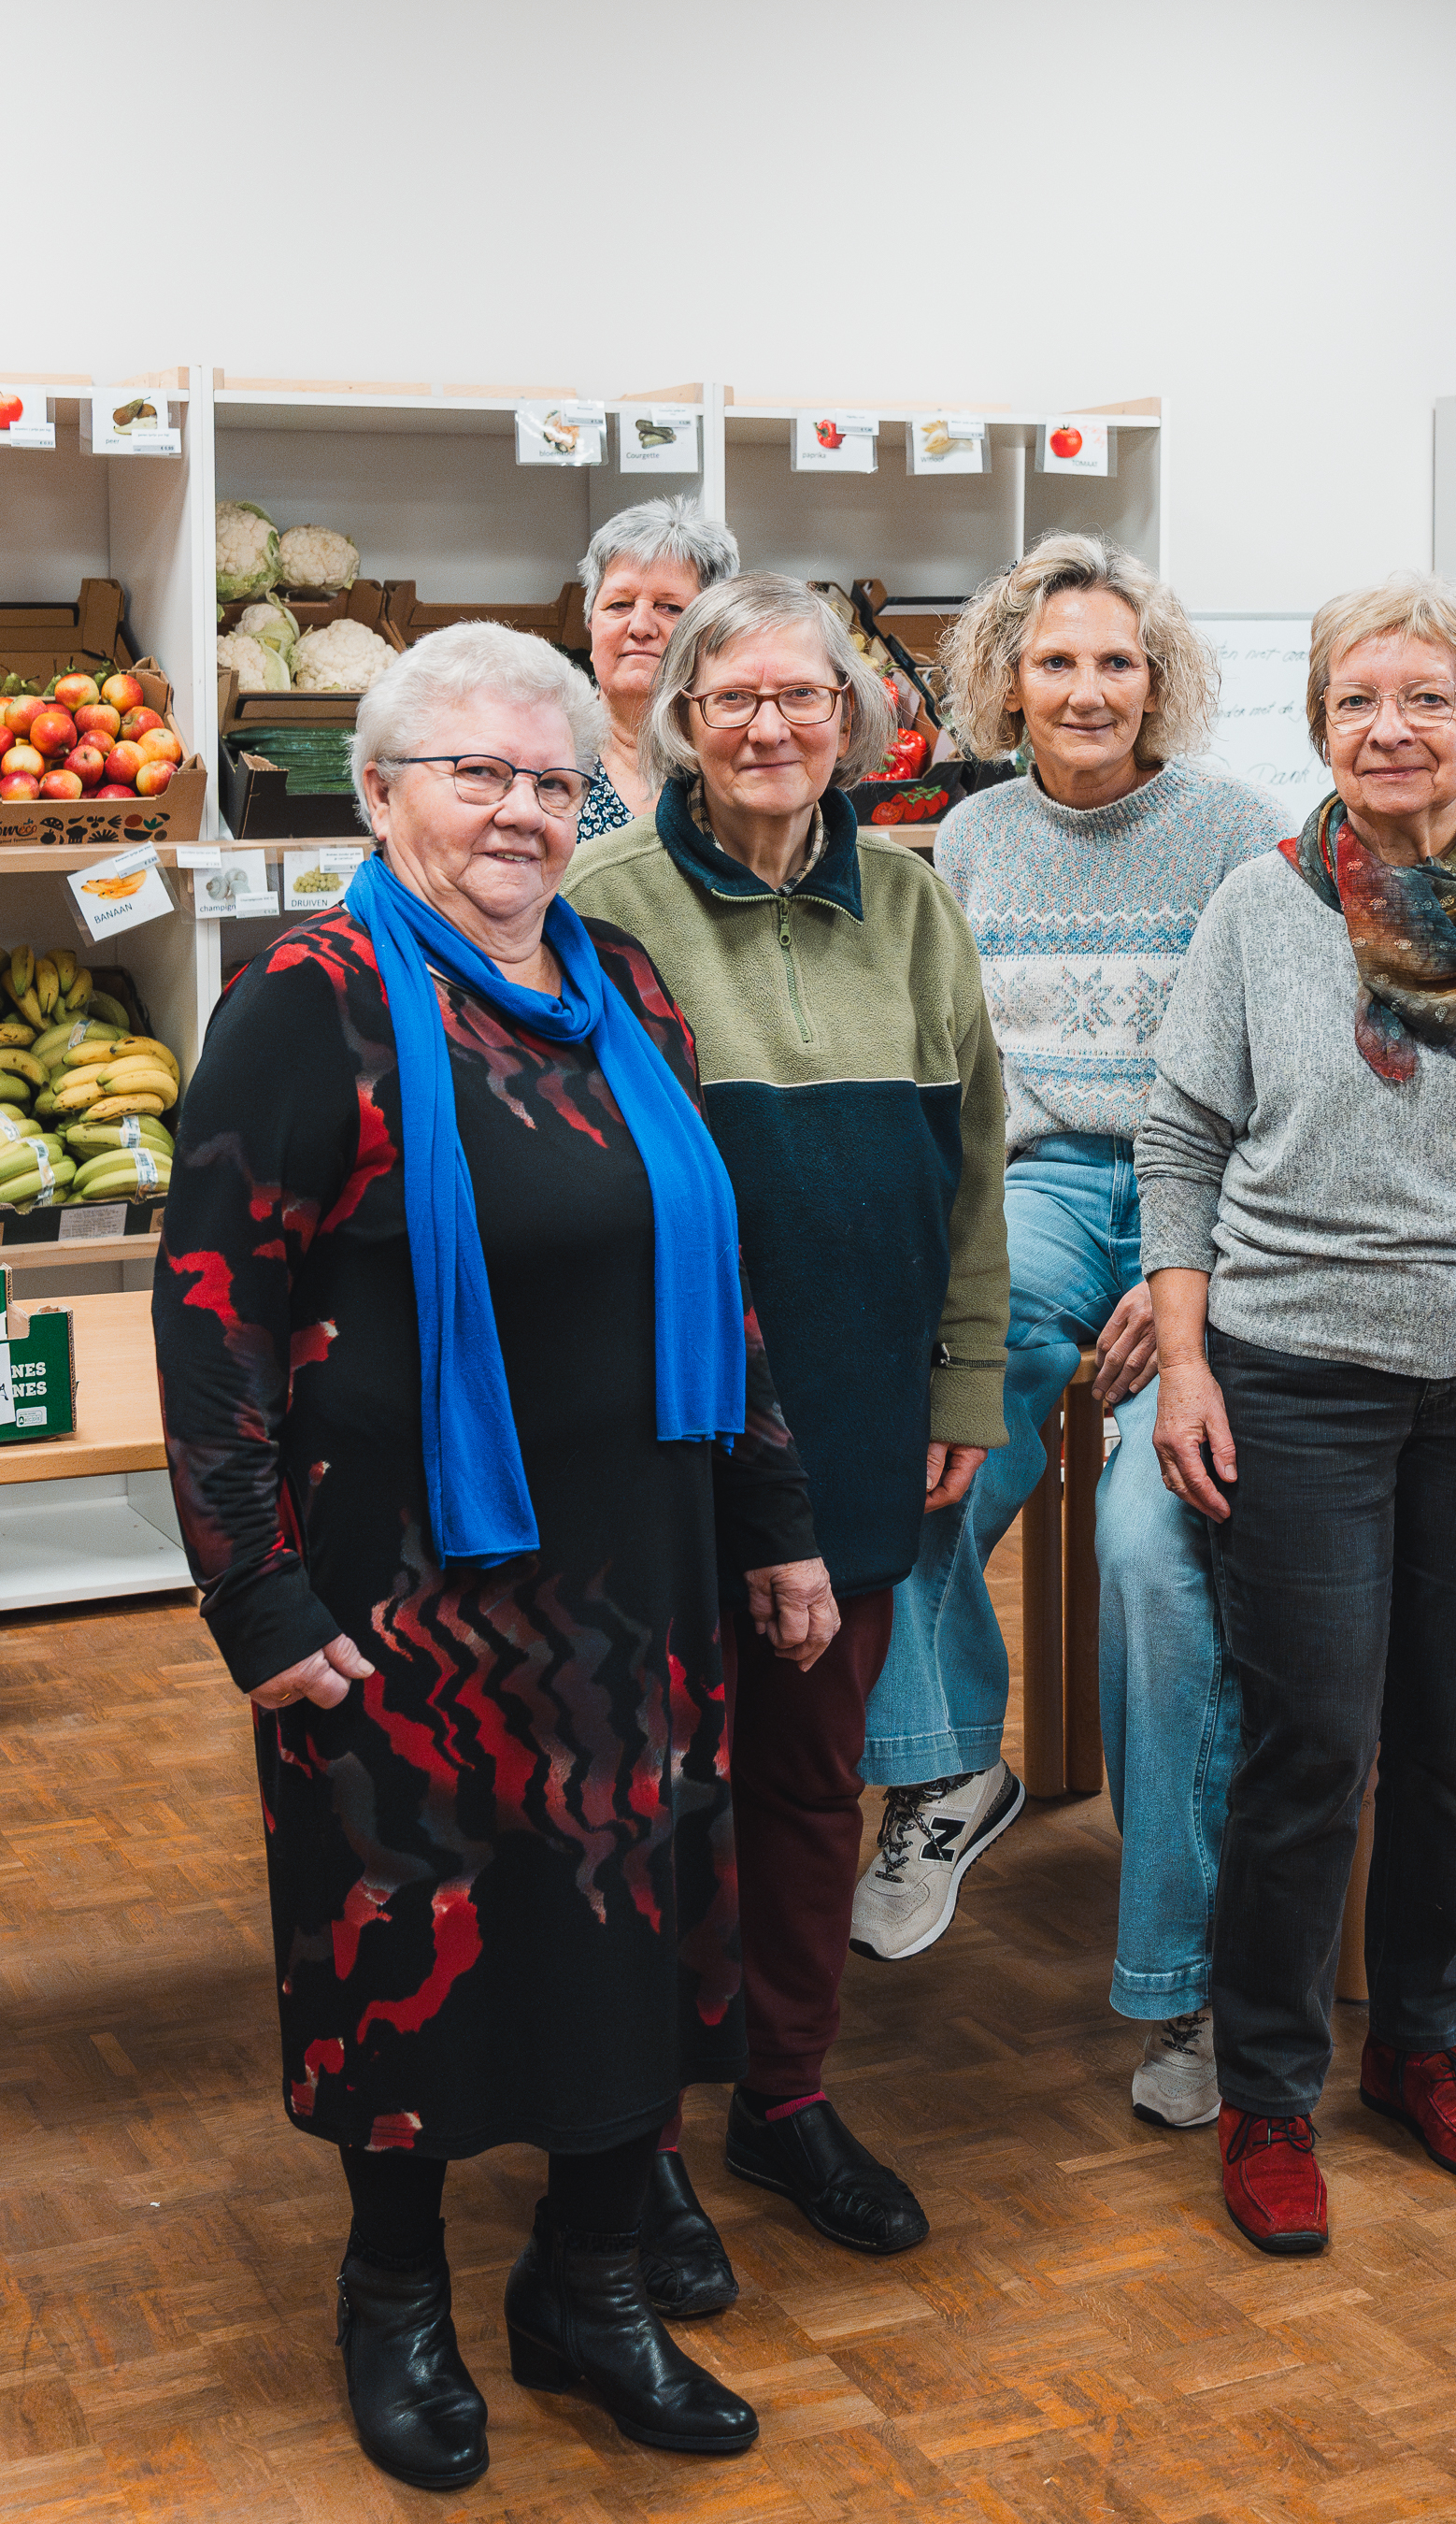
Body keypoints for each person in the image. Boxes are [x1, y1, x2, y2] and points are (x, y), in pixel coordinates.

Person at [152, 621, 841, 2488]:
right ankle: (395, 2297)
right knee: (417, 1948)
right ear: (381, 792)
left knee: (629, 1932)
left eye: (554, 780)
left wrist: (775, 1525)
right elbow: (209, 1311)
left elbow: (717, 1280)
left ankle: (588, 2286)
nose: (523, 811)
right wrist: (254, 1593)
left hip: (640, 1572)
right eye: (478, 774)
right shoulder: (309, 1002)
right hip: (399, 1599)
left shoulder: (623, 986)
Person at [1136, 574, 1456, 2255]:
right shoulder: (1258, 909)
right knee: (1313, 1750)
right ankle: (1273, 2091)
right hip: (1294, 1382)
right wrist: (1193, 1360)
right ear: (1320, 728)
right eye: (1357, 700)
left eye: (1428, 698)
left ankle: (1419, 2052)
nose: (1390, 729)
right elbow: (1183, 1144)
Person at [564, 573, 1008, 2286]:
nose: (768, 730)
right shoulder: (605, 906)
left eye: (802, 700)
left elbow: (978, 1166)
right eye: (731, 700)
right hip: (662, 1443)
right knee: (655, 1790)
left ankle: (787, 2093)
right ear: (680, 717)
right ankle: (639, 2140)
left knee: (817, 1782)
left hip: (864, 1415)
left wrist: (965, 1379)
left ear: (855, 722)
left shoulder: (910, 904)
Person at [849, 533, 1283, 2134]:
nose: (1087, 689)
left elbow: (1289, 1086)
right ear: (1004, 683)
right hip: (1030, 1188)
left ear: (1157, 679)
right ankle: (952, 1758)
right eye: (1055, 661)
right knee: (922, 1449)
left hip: (1210, 1210)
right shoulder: (966, 837)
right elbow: (958, 1082)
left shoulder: (1245, 837)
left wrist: (1188, 1285)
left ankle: (1184, 1992)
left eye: (1115, 660)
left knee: (1150, 1555)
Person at [575, 495, 740, 839]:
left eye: (669, 608)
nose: (640, 626)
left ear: (713, 633)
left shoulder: (743, 756)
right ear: (591, 626)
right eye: (619, 604)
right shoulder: (548, 752)